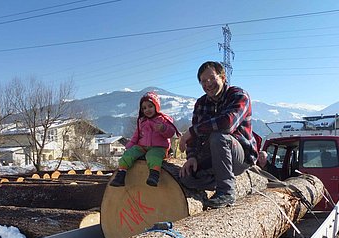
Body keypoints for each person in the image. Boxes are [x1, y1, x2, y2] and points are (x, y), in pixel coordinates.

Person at [178, 61, 258, 208]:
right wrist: (192, 157)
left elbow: (227, 124)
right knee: (186, 177)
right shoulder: (201, 103)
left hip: (240, 156)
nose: (208, 84)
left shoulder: (239, 96)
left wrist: (191, 131)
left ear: (223, 77)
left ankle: (226, 192)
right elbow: (195, 137)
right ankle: (218, 179)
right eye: (203, 81)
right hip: (214, 155)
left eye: (212, 78)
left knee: (218, 137)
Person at [110, 91, 180, 187]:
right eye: (144, 108)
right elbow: (136, 135)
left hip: (159, 147)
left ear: (156, 106)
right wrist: (130, 145)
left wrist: (163, 128)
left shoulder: (163, 120)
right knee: (129, 154)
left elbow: (171, 133)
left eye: (150, 106)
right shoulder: (142, 121)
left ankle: (154, 175)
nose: (147, 110)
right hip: (142, 146)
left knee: (153, 156)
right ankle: (121, 174)